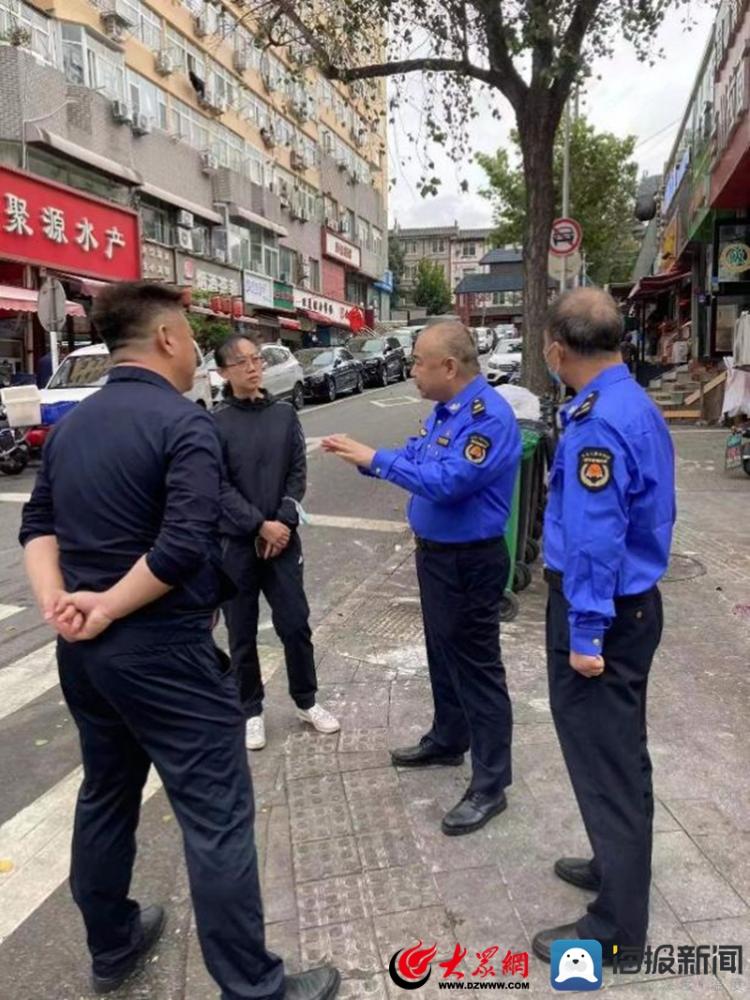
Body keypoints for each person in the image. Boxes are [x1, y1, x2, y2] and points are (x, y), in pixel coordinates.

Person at [19, 282, 339, 1000]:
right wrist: (105, 607)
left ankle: (112, 945)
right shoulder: (184, 424)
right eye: (191, 337)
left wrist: (60, 605)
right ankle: (253, 987)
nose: (197, 351)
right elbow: (182, 546)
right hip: (162, 649)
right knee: (217, 814)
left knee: (106, 795)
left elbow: (37, 525)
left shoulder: (72, 426)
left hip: (87, 656)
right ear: (166, 338)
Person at [323, 322, 521, 837]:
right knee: (442, 653)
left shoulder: (487, 418)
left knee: (477, 668)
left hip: (469, 561)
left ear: (448, 367)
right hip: (436, 558)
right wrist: (369, 458)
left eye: (417, 362)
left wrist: (376, 460)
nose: (411, 370)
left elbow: (448, 481)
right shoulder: (445, 411)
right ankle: (449, 738)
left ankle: (491, 784)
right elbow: (417, 456)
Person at [532, 288, 675, 965]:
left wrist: (586, 634)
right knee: (621, 753)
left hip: (602, 613)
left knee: (605, 763)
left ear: (558, 349)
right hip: (633, 607)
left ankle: (617, 931)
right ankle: (615, 864)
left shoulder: (597, 423)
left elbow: (594, 539)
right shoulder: (632, 402)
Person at [214, 334, 339, 750]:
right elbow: (218, 486)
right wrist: (258, 526)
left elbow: (297, 471)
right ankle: (250, 709)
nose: (253, 367)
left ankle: (306, 700)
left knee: (295, 624)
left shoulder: (284, 414)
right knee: (241, 631)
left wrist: (282, 522)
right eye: (242, 362)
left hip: (283, 541)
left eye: (256, 359)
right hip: (236, 544)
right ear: (223, 373)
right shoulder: (215, 423)